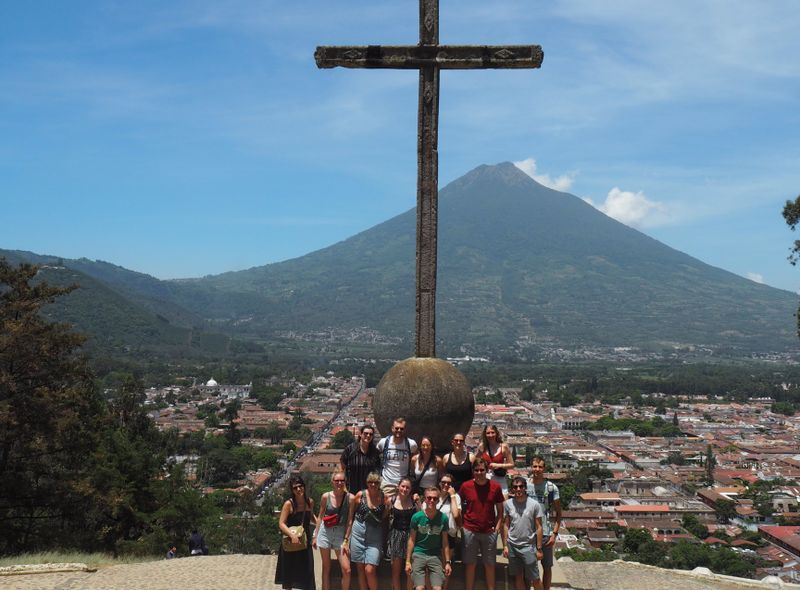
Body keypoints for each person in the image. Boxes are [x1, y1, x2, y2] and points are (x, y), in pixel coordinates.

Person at [459, 457, 504, 590]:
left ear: (486, 470)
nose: (479, 473)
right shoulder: (465, 486)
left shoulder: (495, 487)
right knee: (470, 565)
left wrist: (497, 530)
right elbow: (458, 506)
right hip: (470, 530)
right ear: (473, 471)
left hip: (489, 531)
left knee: (490, 565)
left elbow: (500, 511)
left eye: (482, 470)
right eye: (477, 470)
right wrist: (462, 527)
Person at [344, 472, 386, 590]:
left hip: (374, 537)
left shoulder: (383, 497)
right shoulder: (360, 495)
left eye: (376, 482)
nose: (373, 484)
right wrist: (346, 538)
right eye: (370, 482)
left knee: (370, 570)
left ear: (379, 484)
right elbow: (351, 516)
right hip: (358, 534)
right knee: (360, 570)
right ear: (367, 483)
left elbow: (385, 516)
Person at [405, 486, 452, 590]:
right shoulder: (417, 517)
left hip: (435, 555)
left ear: (438, 500)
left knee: (437, 588)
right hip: (419, 553)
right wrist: (408, 561)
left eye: (435, 498)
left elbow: (445, 542)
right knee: (419, 588)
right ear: (425, 499)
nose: (431, 500)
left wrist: (447, 562)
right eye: (429, 498)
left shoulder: (443, 518)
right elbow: (412, 539)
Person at [313, 470, 353, 590]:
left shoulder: (350, 498)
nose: (339, 483)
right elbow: (320, 516)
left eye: (342, 481)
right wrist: (315, 535)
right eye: (337, 481)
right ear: (332, 482)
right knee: (326, 567)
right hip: (325, 532)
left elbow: (349, 521)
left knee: (347, 570)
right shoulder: (326, 496)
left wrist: (346, 540)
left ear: (345, 482)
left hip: (340, 534)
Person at [275, 475, 317, 590]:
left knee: (307, 572)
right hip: (290, 542)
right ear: (292, 490)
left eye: (300, 486)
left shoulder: (310, 502)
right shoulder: (289, 504)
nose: (299, 489)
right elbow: (281, 523)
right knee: (289, 575)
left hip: (305, 541)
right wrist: (292, 535)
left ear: (304, 486)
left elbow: (311, 516)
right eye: (295, 488)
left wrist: (319, 524)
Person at [526, 456, 562, 590]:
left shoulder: (551, 488)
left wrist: (555, 534)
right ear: (531, 467)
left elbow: (559, 513)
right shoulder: (525, 485)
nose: (537, 469)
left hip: (546, 532)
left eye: (540, 467)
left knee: (546, 567)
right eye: (535, 466)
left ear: (544, 468)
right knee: (529, 567)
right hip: (528, 532)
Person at [502, 476, 544, 590]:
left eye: (521, 486)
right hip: (512, 546)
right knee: (518, 577)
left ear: (525, 488)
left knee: (535, 578)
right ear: (512, 489)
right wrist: (505, 545)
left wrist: (539, 548)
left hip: (528, 546)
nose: (518, 489)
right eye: (515, 487)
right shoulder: (507, 504)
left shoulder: (534, 505)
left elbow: (539, 527)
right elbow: (506, 525)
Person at [387, 477, 416, 590]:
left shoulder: (414, 501)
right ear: (398, 487)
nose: (405, 489)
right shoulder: (392, 500)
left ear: (411, 489)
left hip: (411, 537)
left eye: (407, 487)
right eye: (403, 486)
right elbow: (384, 516)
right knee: (395, 572)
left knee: (410, 570)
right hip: (396, 536)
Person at [376, 417, 418, 497]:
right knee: (386, 508)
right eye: (397, 428)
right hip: (387, 483)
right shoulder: (384, 442)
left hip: (403, 484)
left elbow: (416, 458)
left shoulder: (411, 444)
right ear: (392, 428)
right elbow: (374, 456)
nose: (399, 430)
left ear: (405, 430)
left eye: (401, 429)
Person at [340, 424, 381, 494]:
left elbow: (377, 472)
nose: (368, 436)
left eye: (370, 434)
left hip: (368, 492)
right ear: (360, 434)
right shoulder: (350, 449)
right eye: (366, 433)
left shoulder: (375, 452)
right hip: (351, 491)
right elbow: (342, 468)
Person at [476, 425, 514, 495]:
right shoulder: (482, 446)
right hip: (485, 478)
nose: (490, 435)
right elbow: (475, 462)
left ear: (496, 433)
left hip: (499, 478)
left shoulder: (504, 446)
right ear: (485, 434)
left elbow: (511, 465)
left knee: (502, 503)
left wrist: (498, 465)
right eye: (488, 433)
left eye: (492, 432)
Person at [435, 475, 462, 573]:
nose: (446, 485)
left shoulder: (455, 497)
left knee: (445, 565)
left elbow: (455, 514)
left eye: (449, 483)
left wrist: (452, 496)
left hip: (449, 533)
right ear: (439, 483)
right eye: (443, 482)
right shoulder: (434, 496)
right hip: (435, 533)